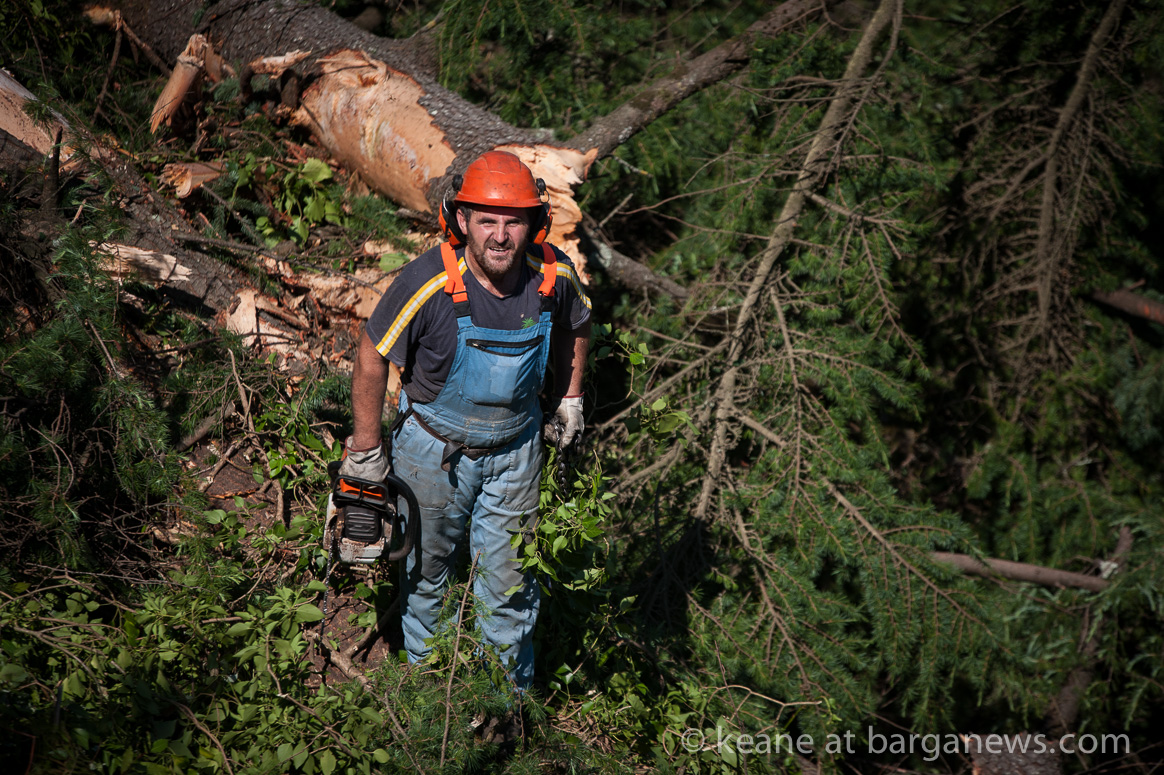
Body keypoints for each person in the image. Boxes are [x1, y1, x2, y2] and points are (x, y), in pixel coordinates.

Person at [339, 151, 591, 691]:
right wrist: (365, 451)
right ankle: (429, 705)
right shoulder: (428, 281)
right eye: (487, 221)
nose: (500, 236)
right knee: (425, 578)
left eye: (513, 220)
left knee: (511, 589)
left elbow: (577, 324)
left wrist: (571, 397)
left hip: (517, 453)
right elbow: (370, 351)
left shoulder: (553, 275)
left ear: (534, 224)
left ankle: (506, 710)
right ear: (461, 222)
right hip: (432, 452)